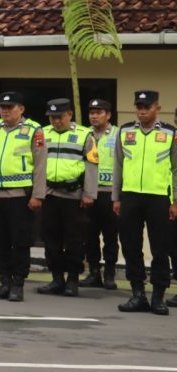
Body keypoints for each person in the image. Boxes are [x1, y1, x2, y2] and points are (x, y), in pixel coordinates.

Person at [0, 91, 47, 303]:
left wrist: (38, 195)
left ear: (21, 109)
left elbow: (41, 165)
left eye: (10, 107)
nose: (5, 111)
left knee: (20, 241)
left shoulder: (34, 130)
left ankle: (18, 284)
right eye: (2, 107)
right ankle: (4, 281)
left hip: (20, 195)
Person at [113, 90, 177, 315]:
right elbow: (118, 167)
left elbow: (176, 169)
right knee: (131, 246)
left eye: (146, 107)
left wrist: (175, 201)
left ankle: (158, 296)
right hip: (130, 197)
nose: (142, 111)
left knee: (160, 249)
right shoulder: (125, 131)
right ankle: (137, 294)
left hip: (159, 198)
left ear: (157, 107)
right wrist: (116, 197)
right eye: (139, 107)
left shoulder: (170, 133)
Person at [37, 98, 98, 297]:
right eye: (52, 117)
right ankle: (56, 279)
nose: (56, 121)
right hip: (49, 194)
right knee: (51, 238)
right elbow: (35, 164)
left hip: (74, 196)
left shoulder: (84, 135)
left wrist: (89, 193)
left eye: (59, 117)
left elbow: (91, 165)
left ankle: (72, 280)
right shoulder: (43, 134)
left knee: (74, 240)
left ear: (69, 115)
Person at [78, 98, 119, 289]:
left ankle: (109, 273)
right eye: (91, 112)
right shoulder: (84, 135)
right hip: (88, 192)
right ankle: (94, 272)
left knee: (111, 235)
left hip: (110, 193)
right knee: (89, 234)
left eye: (99, 112)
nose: (94, 116)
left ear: (108, 115)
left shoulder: (119, 134)